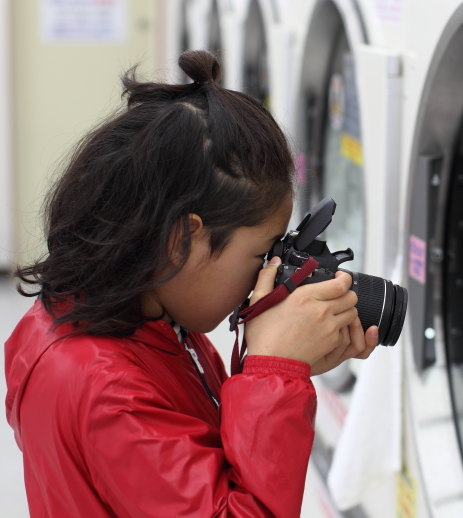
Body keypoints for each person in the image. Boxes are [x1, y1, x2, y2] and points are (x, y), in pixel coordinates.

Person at [4, 50, 379, 517]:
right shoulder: (106, 391)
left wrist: (277, 366)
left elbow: (196, 456)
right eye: (261, 254)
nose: (269, 273)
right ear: (182, 239)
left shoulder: (141, 317)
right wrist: (272, 376)